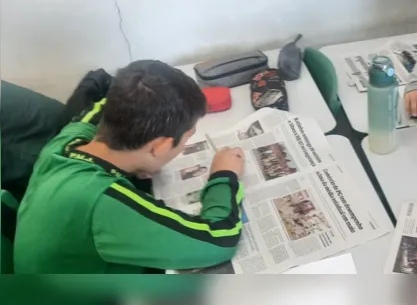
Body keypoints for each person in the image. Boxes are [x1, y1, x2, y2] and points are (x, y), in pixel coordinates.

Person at [14, 60, 246, 273]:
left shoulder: (67, 141)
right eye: (188, 136)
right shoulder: (102, 201)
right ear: (160, 146)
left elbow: (101, 107)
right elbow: (219, 241)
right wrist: (223, 175)